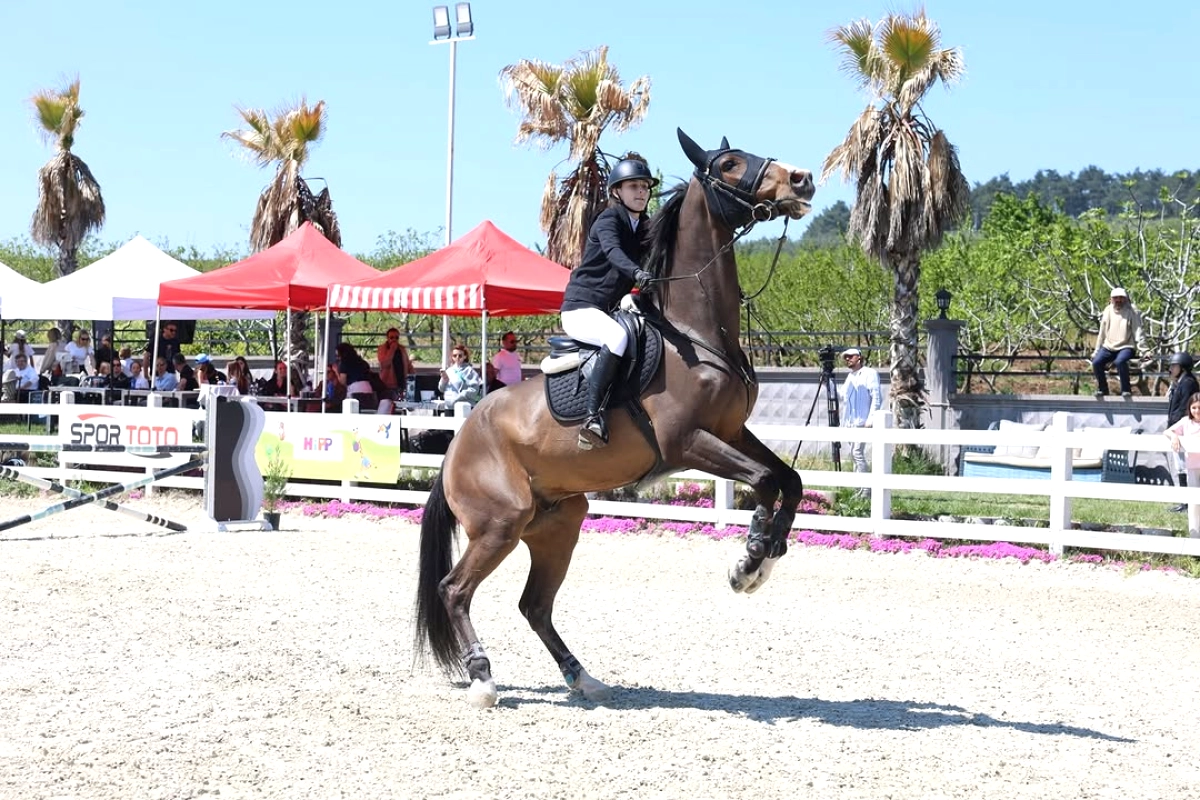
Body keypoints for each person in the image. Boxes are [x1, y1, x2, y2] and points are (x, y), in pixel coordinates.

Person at [559, 153, 658, 449]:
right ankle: (592, 417)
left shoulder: (643, 226)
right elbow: (615, 254)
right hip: (580, 308)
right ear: (617, 192)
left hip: (606, 310)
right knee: (616, 337)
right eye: (633, 187)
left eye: (644, 187)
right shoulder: (608, 219)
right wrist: (639, 272)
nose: (641, 192)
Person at [1091, 287, 1143, 398]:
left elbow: (1138, 330)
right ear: (1111, 299)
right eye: (1116, 298)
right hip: (1108, 346)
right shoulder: (1107, 310)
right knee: (1096, 362)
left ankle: (1126, 390)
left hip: (1126, 346)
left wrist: (1144, 349)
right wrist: (1096, 350)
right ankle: (1103, 390)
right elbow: (1102, 333)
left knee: (1120, 361)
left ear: (1125, 299)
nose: (1118, 300)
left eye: (1121, 298)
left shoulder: (1132, 311)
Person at [840, 347, 882, 478]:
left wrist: (871, 418)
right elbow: (843, 395)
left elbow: (876, 396)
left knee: (857, 453)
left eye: (850, 356)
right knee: (854, 454)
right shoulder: (850, 376)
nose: (848, 359)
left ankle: (865, 489)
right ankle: (858, 487)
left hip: (862, 421)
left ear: (859, 357)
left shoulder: (869, 373)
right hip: (850, 422)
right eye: (846, 357)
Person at [1165, 352, 1199, 511]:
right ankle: (1185, 501)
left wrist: (1175, 427)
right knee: (1180, 467)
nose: (1171, 368)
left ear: (1182, 366)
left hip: (1185, 430)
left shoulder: (1188, 383)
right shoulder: (1181, 382)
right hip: (1178, 429)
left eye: (1174, 365)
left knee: (1185, 467)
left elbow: (1185, 407)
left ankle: (1187, 502)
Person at [1165, 391, 1200, 538]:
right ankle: (1195, 535)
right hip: (1192, 467)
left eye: (1199, 407)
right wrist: (1174, 436)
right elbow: (1167, 431)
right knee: (1193, 502)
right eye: (1194, 407)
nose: (1197, 411)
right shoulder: (1186, 422)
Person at [377, 327, 414, 396]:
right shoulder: (382, 348)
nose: (394, 340)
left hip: (401, 384)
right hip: (388, 385)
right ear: (387, 338)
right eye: (391, 337)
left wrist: (413, 377)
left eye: (396, 338)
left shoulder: (402, 349)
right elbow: (385, 364)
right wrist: (392, 349)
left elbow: (408, 365)